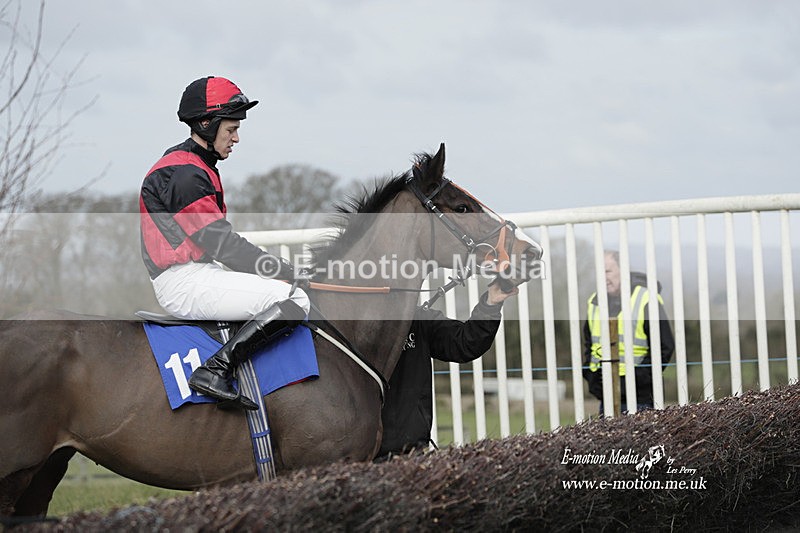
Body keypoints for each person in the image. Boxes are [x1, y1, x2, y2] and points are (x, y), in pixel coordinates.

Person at [140, 76, 310, 411]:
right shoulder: (186, 174)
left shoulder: (190, 164)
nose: (236, 138)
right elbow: (224, 246)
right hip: (184, 280)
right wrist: (284, 271)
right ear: (207, 124)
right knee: (294, 298)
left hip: (196, 272)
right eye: (230, 129)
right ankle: (217, 369)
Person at [377, 282, 517, 459]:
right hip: (350, 454)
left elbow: (465, 342)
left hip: (408, 453)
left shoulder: (418, 319)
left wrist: (490, 304)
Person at [582, 251, 675, 413]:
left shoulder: (645, 299)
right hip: (606, 395)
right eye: (600, 273)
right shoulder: (594, 303)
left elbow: (664, 346)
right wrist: (593, 379)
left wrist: (637, 378)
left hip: (640, 398)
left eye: (608, 271)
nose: (603, 277)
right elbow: (589, 345)